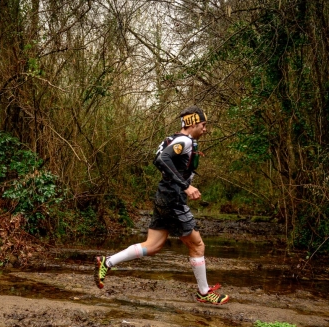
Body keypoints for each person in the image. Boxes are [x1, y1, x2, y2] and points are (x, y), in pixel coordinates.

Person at [94, 106, 229, 305]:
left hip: (164, 196)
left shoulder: (174, 139)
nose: (205, 129)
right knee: (197, 244)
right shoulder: (183, 141)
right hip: (173, 198)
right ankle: (203, 292)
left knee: (153, 245)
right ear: (192, 123)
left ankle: (107, 262)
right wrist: (186, 186)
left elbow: (168, 161)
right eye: (203, 125)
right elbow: (160, 159)